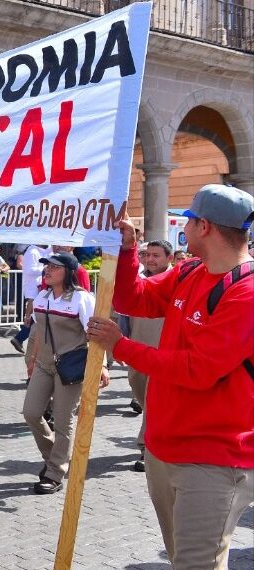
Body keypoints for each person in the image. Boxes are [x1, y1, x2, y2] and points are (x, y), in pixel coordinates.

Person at [88, 184, 253, 569]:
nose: (186, 227)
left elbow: (197, 370)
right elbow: (133, 299)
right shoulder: (191, 270)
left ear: (205, 228)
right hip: (164, 449)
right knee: (184, 560)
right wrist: (128, 249)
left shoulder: (245, 291)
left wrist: (121, 346)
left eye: (191, 220)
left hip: (212, 459)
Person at [23, 251, 108, 495]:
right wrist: (33, 360)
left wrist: (101, 365)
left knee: (62, 421)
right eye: (46, 266)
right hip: (43, 364)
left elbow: (96, 334)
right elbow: (39, 332)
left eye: (54, 267)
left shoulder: (82, 299)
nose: (47, 270)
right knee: (31, 413)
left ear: (68, 272)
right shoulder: (42, 296)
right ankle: (54, 458)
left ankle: (55, 472)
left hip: (70, 367)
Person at [119, 239, 172, 472]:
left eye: (156, 255)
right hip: (136, 353)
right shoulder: (138, 281)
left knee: (154, 402)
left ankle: (146, 448)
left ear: (169, 258)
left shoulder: (179, 282)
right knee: (144, 400)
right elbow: (124, 316)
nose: (150, 259)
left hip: (164, 357)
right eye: (147, 255)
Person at [11, 243, 50, 354]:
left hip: (42, 287)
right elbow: (28, 270)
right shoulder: (32, 251)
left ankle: (19, 338)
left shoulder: (46, 250)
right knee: (37, 315)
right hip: (35, 289)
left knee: (39, 315)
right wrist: (45, 269)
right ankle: (20, 338)